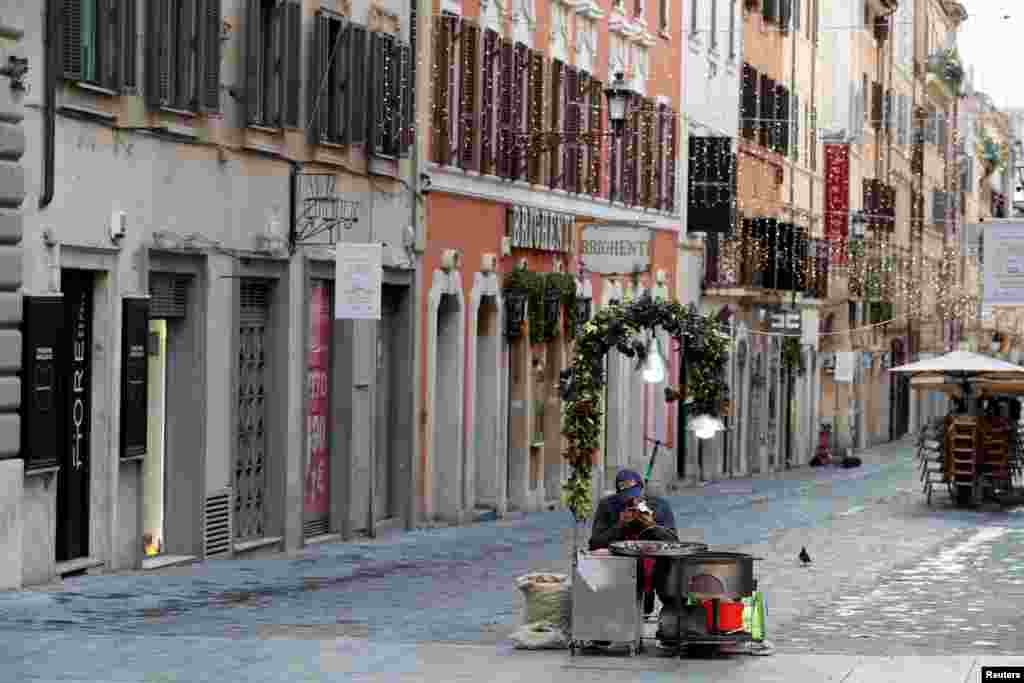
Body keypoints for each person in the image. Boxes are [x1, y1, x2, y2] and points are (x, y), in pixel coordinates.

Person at [589, 469, 677, 616]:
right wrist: (620, 524)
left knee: (668, 575)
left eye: (635, 496)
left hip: (654, 563)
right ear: (618, 495)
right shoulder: (607, 506)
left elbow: (674, 542)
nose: (632, 501)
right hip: (619, 563)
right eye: (626, 498)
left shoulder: (660, 505)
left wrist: (652, 526)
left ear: (642, 489)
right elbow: (595, 543)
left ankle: (653, 603)